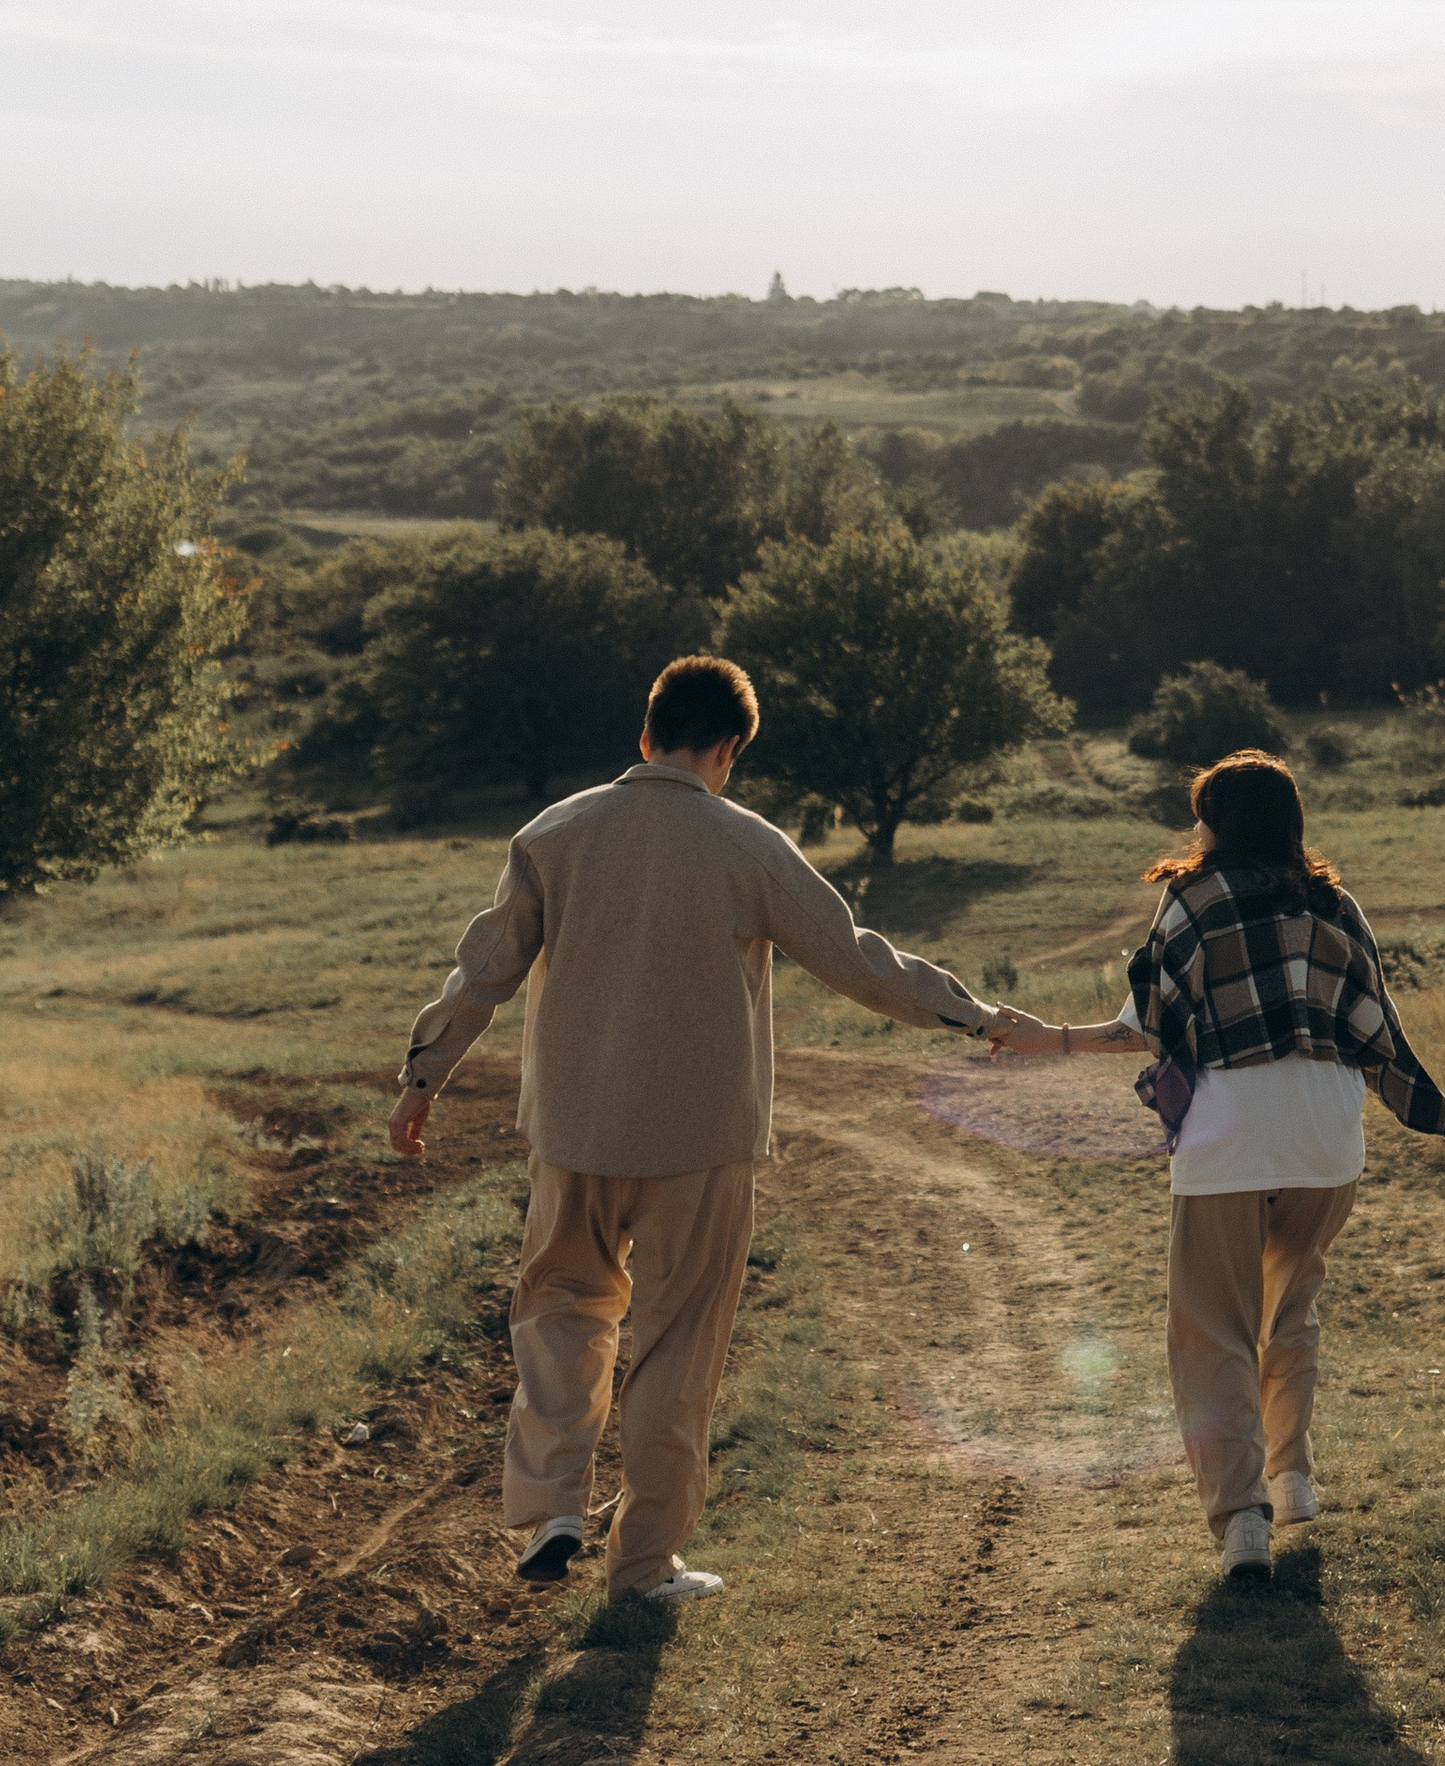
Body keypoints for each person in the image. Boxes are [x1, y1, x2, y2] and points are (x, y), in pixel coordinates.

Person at [388, 650, 995, 1608]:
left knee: (558, 1312)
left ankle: (551, 1502)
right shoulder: (746, 843)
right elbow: (856, 959)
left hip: (572, 1131)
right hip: (699, 1143)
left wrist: (424, 1075)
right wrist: (974, 1016)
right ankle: (642, 1566)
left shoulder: (555, 832)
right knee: (676, 1345)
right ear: (729, 749)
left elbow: (485, 970)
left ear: (646, 732)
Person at [984, 749, 1445, 1579]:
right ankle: (1293, 1474)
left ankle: (1242, 1519)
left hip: (1229, 1138)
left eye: (1202, 813)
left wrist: (1044, 1038)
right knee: (1291, 1310)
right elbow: (1371, 1018)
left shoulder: (1192, 903)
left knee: (1214, 1332)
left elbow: (1146, 1027)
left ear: (1217, 824)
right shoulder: (1335, 904)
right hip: (1325, 1140)